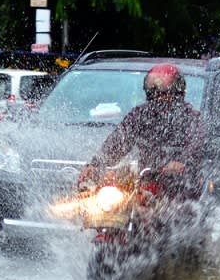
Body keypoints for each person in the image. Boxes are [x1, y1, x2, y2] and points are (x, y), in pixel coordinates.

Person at [78, 63, 205, 199]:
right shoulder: (140, 114)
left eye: (164, 92)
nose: (159, 97)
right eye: (154, 92)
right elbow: (120, 139)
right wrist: (96, 164)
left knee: (183, 211)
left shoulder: (191, 118)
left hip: (181, 184)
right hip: (146, 181)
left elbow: (196, 145)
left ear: (176, 93)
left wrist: (181, 161)